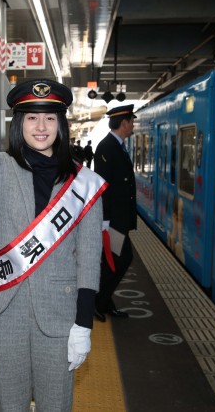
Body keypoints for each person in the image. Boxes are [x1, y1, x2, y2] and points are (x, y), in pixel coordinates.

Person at [0, 18, 104, 411]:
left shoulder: (83, 183)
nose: (41, 127)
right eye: (32, 118)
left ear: (62, 124)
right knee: (10, 405)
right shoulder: (1, 169)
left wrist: (84, 324)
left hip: (59, 316)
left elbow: (89, 258)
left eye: (50, 118)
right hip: (3, 310)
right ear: (19, 124)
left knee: (57, 405)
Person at [93, 104, 137, 320]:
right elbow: (103, 186)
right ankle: (97, 301)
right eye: (132, 121)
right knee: (118, 260)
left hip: (119, 218)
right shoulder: (107, 147)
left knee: (115, 261)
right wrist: (104, 220)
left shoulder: (117, 146)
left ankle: (104, 301)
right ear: (124, 123)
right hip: (112, 220)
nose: (133, 125)